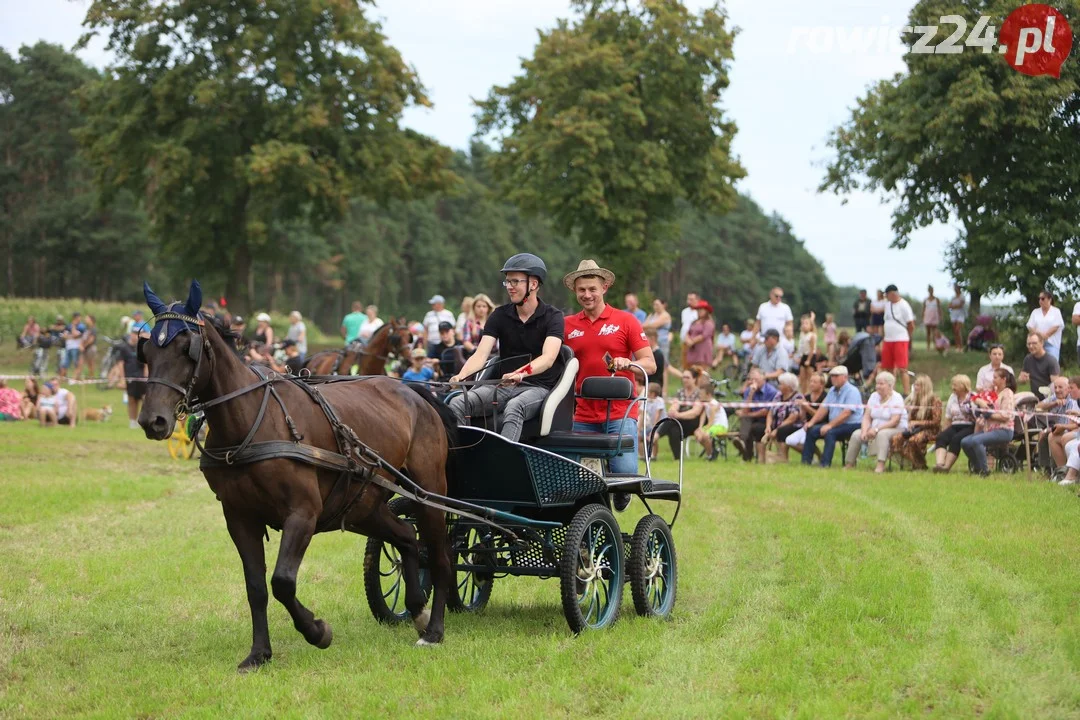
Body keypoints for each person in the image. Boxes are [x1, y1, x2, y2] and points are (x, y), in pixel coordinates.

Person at [448, 253, 564, 442]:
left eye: (515, 282)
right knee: (458, 402)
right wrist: (461, 376)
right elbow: (481, 354)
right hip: (503, 386)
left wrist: (521, 373)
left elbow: (548, 358)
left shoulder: (553, 316)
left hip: (538, 387)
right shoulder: (499, 315)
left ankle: (502, 460)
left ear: (533, 284)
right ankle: (464, 458)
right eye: (507, 282)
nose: (509, 287)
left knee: (515, 406)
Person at [562, 260, 655, 476]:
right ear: (575, 291)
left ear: (604, 287)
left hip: (620, 413)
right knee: (570, 475)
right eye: (581, 290)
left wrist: (630, 364)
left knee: (625, 474)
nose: (587, 295)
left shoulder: (626, 321)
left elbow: (650, 364)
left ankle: (622, 492)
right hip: (582, 414)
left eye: (592, 289)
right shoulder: (566, 325)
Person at [801, 365, 864, 468]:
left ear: (845, 377)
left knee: (830, 433)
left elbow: (846, 413)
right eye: (832, 376)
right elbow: (823, 409)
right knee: (811, 430)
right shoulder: (832, 390)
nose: (833, 378)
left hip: (852, 424)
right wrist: (811, 422)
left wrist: (830, 425)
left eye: (836, 376)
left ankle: (825, 464)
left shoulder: (852, 391)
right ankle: (806, 462)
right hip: (837, 424)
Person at [845, 371, 907, 473]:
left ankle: (880, 465)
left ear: (890, 385)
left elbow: (895, 421)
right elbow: (867, 416)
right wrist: (865, 431)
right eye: (877, 383)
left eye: (881, 384)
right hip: (874, 428)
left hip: (895, 428)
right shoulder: (874, 396)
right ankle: (849, 464)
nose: (878, 386)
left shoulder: (897, 398)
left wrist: (877, 429)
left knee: (882, 434)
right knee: (856, 434)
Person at [961, 368, 1017, 475]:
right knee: (965, 442)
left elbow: (1007, 416)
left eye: (995, 377)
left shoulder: (1007, 393)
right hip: (990, 430)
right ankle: (977, 467)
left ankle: (984, 470)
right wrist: (979, 404)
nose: (993, 380)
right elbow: (978, 398)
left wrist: (989, 414)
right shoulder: (993, 392)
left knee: (977, 441)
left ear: (1003, 379)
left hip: (1004, 430)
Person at [890, 374, 942, 470]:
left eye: (918, 385)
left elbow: (936, 422)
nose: (916, 387)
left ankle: (920, 464)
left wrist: (917, 423)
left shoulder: (935, 400)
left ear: (925, 387)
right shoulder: (915, 400)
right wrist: (910, 423)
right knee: (896, 439)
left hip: (932, 430)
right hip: (916, 429)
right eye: (915, 385)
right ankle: (910, 462)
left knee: (914, 440)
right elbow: (911, 419)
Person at [657, 367, 708, 460]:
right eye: (683, 377)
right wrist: (673, 411)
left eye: (687, 377)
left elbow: (695, 412)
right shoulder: (680, 392)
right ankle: (678, 458)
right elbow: (675, 405)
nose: (684, 380)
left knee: (672, 422)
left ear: (694, 379)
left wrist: (678, 415)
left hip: (695, 422)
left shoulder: (699, 393)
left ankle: (655, 436)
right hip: (681, 422)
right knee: (673, 428)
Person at [731, 368, 780, 462]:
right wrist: (751, 394)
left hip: (766, 420)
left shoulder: (771, 391)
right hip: (753, 418)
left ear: (763, 378)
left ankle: (745, 449)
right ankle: (743, 443)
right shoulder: (749, 390)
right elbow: (745, 410)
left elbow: (766, 411)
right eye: (751, 380)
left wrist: (748, 415)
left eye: (756, 379)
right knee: (746, 420)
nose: (753, 382)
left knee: (752, 425)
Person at [932, 375, 976, 473]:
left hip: (969, 425)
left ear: (963, 386)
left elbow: (977, 415)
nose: (953, 387)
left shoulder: (973, 397)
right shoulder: (952, 397)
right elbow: (948, 416)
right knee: (941, 437)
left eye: (955, 385)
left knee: (956, 439)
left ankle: (946, 467)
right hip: (955, 424)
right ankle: (939, 464)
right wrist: (944, 430)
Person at [785, 372, 829, 458]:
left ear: (822, 385)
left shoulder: (826, 397)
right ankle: (817, 454)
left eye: (814, 382)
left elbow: (820, 416)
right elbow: (803, 418)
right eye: (811, 381)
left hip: (822, 424)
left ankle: (810, 457)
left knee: (804, 440)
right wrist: (802, 409)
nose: (811, 384)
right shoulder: (807, 397)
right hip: (807, 425)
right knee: (789, 440)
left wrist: (806, 406)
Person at [881, 284, 915, 395]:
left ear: (893, 293)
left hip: (900, 339)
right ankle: (891, 392)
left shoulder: (904, 305)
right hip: (888, 339)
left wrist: (908, 337)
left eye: (887, 295)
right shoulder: (887, 305)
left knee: (902, 368)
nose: (886, 297)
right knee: (888, 367)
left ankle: (906, 392)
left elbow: (910, 324)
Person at [762, 372, 804, 462]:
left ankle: (783, 456)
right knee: (760, 428)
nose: (779, 386)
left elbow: (793, 417)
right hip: (777, 424)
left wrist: (777, 429)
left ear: (788, 386)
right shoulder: (778, 396)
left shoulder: (798, 397)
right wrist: (768, 426)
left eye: (781, 384)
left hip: (794, 425)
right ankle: (765, 456)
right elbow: (770, 412)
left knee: (782, 431)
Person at [117, 330, 146, 429]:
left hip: (142, 378)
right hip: (130, 377)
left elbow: (146, 362)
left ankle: (142, 420)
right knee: (132, 400)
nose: (135, 336)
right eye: (134, 333)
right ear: (131, 334)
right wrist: (122, 378)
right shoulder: (124, 348)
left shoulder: (142, 347)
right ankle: (132, 422)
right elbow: (120, 363)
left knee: (145, 399)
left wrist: (147, 376)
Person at [1019, 333, 1060, 400]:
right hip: (1034, 397)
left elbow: (1056, 385)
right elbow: (1021, 380)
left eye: (1034, 343)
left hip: (1049, 398)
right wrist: (1022, 379)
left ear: (1042, 343)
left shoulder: (1051, 360)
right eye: (1029, 344)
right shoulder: (1028, 359)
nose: (1031, 346)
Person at [1027, 290, 1065, 362]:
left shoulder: (1056, 311)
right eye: (1039, 299)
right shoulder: (1035, 312)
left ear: (1049, 299)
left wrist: (1046, 335)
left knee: (1052, 363)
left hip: (1052, 343)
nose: (1040, 301)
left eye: (1043, 298)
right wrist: (1039, 336)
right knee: (1037, 365)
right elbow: (1030, 326)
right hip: (1037, 343)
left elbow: (1057, 326)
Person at [684, 301, 715, 368]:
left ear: (706, 311)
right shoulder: (694, 322)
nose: (699, 311)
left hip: (703, 348)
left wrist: (692, 341)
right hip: (693, 348)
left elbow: (704, 335)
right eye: (698, 309)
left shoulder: (709, 323)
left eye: (701, 309)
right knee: (693, 370)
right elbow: (688, 332)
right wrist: (687, 339)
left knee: (702, 370)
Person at [641, 382, 666, 461]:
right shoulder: (646, 400)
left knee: (653, 438)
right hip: (650, 424)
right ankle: (643, 456)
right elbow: (642, 414)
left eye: (648, 391)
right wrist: (639, 429)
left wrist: (653, 430)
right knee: (640, 436)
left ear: (653, 393)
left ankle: (654, 456)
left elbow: (657, 415)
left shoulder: (660, 401)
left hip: (661, 423)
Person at [796, 313, 821, 392]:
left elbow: (812, 349)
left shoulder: (812, 336)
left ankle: (810, 392)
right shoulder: (802, 334)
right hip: (804, 356)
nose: (804, 325)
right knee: (802, 377)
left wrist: (808, 360)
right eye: (803, 324)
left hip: (810, 356)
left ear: (810, 326)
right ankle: (803, 392)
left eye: (806, 324)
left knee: (809, 377)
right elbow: (801, 347)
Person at [643, 298, 672, 363]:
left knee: (664, 363)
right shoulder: (652, 315)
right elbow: (644, 325)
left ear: (664, 305)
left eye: (657, 305)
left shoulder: (665, 315)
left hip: (662, 341)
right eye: (654, 305)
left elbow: (654, 325)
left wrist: (645, 326)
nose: (655, 307)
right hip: (652, 342)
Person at [677, 292, 700, 369]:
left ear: (697, 300)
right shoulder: (684, 311)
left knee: (695, 363)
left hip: (694, 340)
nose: (689, 301)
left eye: (691, 299)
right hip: (684, 339)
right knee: (685, 361)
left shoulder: (699, 312)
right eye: (688, 299)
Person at [60, 312, 85, 378]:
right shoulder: (68, 326)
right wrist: (71, 336)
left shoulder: (81, 326)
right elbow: (64, 336)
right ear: (75, 318)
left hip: (76, 347)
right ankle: (63, 377)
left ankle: (76, 378)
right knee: (65, 363)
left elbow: (76, 335)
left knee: (76, 363)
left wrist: (73, 327)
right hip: (68, 347)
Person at [644, 329, 667, 398]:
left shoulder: (658, 354)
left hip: (654, 387)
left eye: (645, 338)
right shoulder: (651, 353)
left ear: (652, 338)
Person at [77, 314, 98, 381]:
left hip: (90, 348)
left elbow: (91, 339)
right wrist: (81, 345)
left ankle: (91, 377)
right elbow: (84, 338)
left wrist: (83, 346)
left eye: (87, 318)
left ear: (91, 320)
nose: (85, 319)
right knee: (81, 362)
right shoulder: (87, 328)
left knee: (90, 363)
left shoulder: (93, 329)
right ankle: (78, 377)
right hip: (85, 348)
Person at [923, 285, 942, 352]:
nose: (931, 291)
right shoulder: (925, 300)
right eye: (930, 290)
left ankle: (935, 346)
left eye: (932, 290)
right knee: (928, 333)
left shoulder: (937, 300)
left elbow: (939, 309)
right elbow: (924, 309)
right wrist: (923, 317)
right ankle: (928, 347)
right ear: (928, 290)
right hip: (927, 317)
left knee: (935, 333)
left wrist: (940, 316)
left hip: (934, 317)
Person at [948, 284, 966, 349]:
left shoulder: (962, 296)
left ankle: (961, 346)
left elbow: (960, 305)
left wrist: (953, 307)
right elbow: (949, 306)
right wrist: (954, 307)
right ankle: (957, 346)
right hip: (953, 315)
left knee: (957, 330)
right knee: (955, 331)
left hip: (960, 315)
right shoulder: (953, 297)